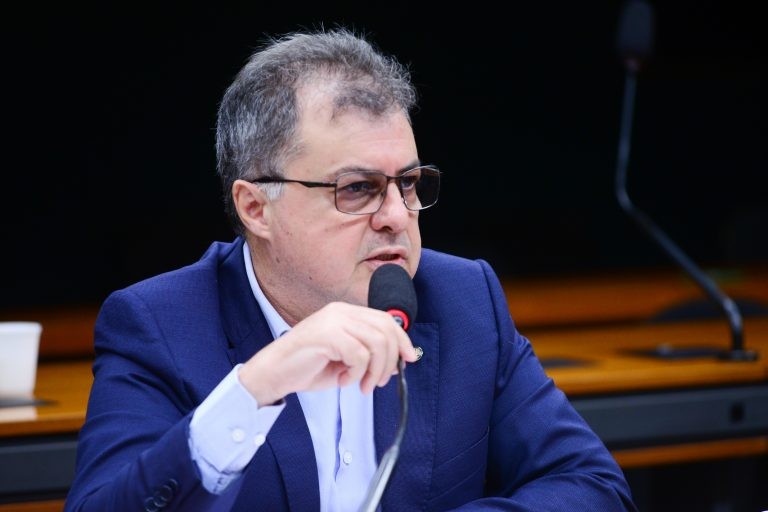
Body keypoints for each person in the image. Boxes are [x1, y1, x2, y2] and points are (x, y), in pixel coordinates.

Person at [66, 28, 636, 511]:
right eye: (358, 189)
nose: (396, 216)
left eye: (408, 183)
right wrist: (256, 388)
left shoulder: (463, 300)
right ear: (256, 208)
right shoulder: (158, 325)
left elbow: (593, 487)